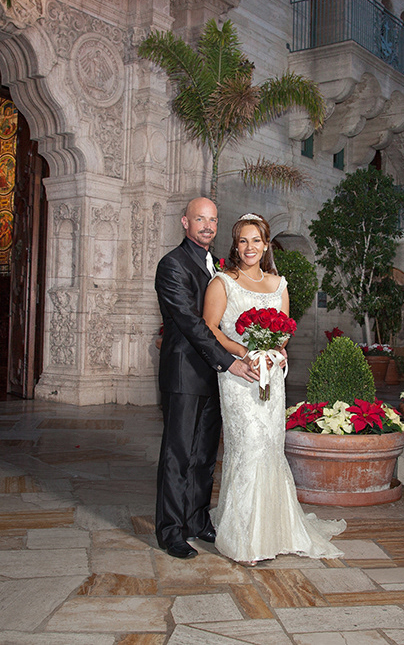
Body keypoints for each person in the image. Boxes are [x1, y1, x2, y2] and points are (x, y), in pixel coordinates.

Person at [202, 213, 345, 566]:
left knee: (269, 447)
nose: (249, 247)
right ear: (235, 246)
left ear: (267, 245)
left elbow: (284, 330)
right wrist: (245, 352)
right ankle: (244, 537)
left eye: (256, 240)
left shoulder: (279, 284)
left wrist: (277, 351)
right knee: (247, 446)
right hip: (240, 376)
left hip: (272, 377)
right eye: (243, 241)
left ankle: (275, 530)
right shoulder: (222, 282)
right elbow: (210, 328)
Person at [154, 197, 259, 560]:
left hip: (214, 377)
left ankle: (197, 520)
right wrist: (230, 361)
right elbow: (193, 324)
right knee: (178, 455)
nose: (207, 226)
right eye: (200, 219)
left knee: (204, 455)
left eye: (212, 220)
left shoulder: (216, 265)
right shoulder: (172, 265)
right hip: (185, 374)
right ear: (185, 222)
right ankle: (170, 531)